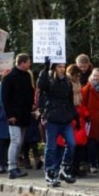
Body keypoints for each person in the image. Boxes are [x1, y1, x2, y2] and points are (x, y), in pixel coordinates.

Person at [38, 58, 78, 186]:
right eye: (59, 66)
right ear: (54, 68)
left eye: (63, 66)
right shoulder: (49, 80)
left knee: (71, 143)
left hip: (65, 117)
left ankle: (65, 168)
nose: (62, 69)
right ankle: (50, 171)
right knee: (51, 147)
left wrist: (74, 115)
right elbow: (41, 85)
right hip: (53, 117)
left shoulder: (67, 82)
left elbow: (70, 99)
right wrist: (45, 69)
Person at [1, 53, 34, 179]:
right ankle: (12, 167)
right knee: (16, 140)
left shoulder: (27, 76)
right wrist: (9, 115)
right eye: (28, 61)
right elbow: (5, 98)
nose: (30, 64)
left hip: (24, 114)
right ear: (22, 62)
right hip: (14, 115)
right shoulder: (9, 78)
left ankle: (15, 167)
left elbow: (29, 94)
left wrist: (32, 106)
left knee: (19, 142)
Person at [81, 68, 99, 173]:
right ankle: (92, 163)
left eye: (97, 75)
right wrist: (86, 115)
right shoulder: (86, 89)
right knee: (91, 143)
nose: (95, 77)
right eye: (94, 75)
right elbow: (82, 103)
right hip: (91, 120)